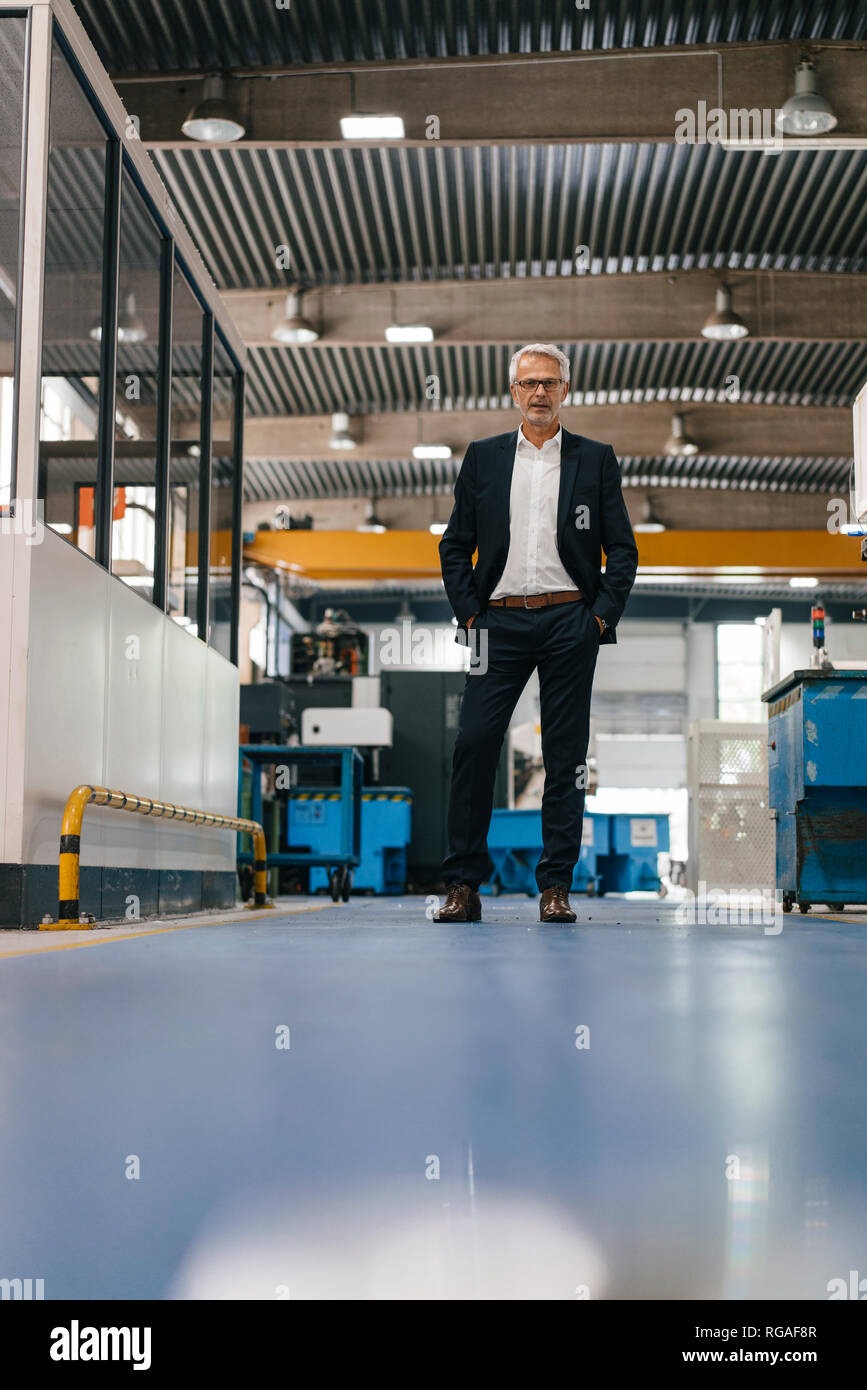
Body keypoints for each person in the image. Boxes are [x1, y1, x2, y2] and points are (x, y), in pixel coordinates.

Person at [434, 343, 638, 924]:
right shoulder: (484, 458)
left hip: (569, 620)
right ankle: (463, 887)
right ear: (514, 392)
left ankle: (555, 887)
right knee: (473, 744)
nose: (539, 392)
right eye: (529, 384)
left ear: (566, 390)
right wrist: (471, 614)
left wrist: (599, 617)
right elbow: (455, 544)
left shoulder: (594, 459)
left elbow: (622, 548)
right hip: (494, 623)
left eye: (550, 382)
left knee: (565, 755)